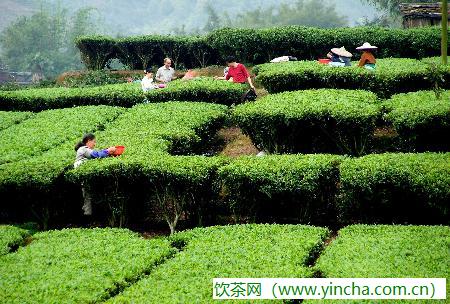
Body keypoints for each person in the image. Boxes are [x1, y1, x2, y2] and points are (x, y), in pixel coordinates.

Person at [74, 133, 116, 215]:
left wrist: (107, 152)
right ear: (89, 141)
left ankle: (88, 216)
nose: (94, 144)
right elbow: (97, 155)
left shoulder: (83, 150)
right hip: (84, 178)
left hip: (85, 177)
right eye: (94, 141)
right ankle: (87, 218)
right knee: (87, 197)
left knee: (88, 196)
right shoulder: (83, 149)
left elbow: (98, 154)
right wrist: (108, 151)